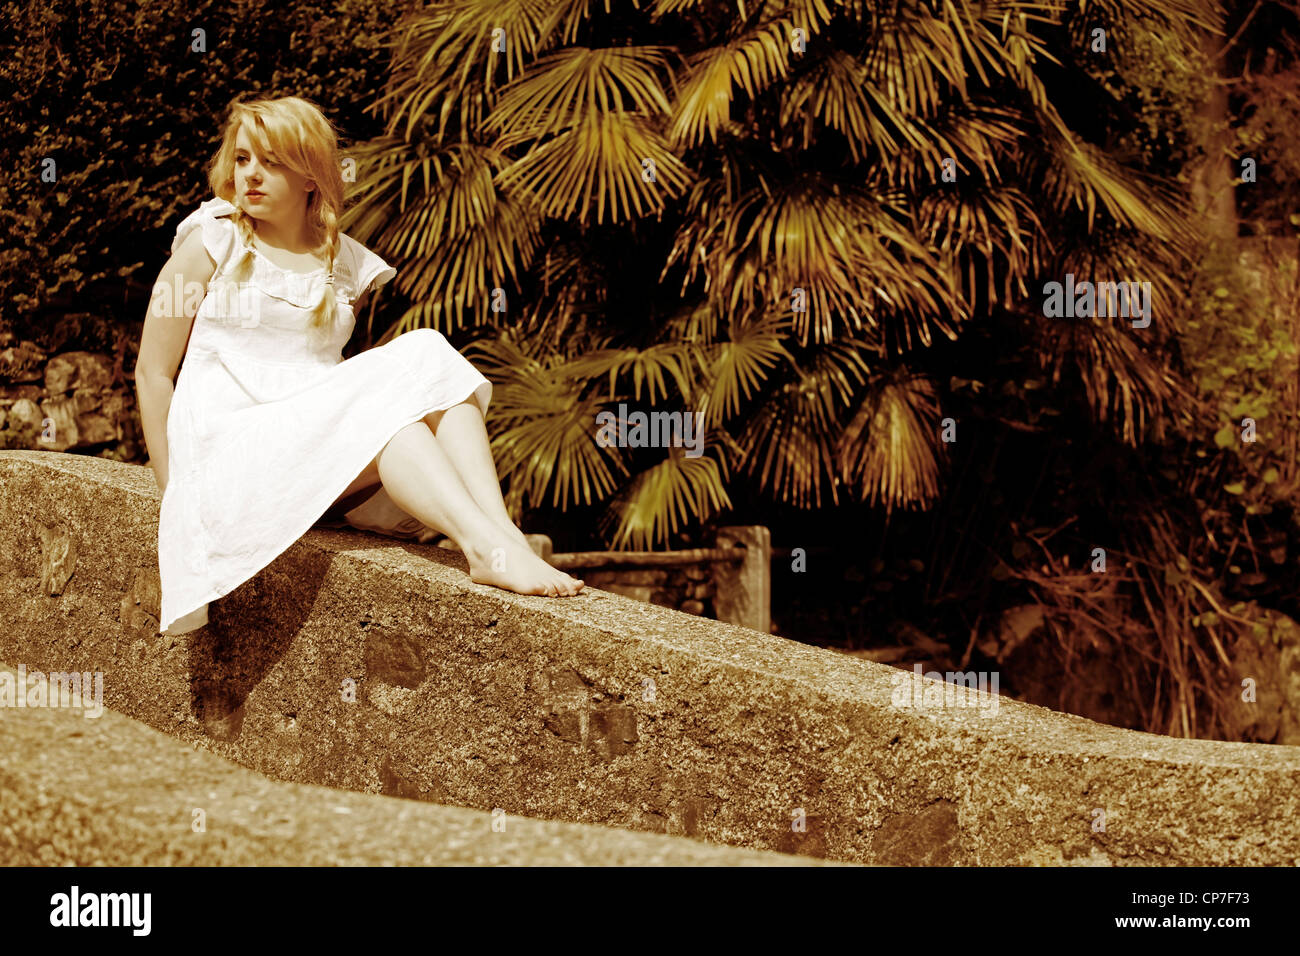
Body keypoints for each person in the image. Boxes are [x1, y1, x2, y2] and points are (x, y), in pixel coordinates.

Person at [135, 95, 583, 636]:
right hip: (231, 453)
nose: (250, 175)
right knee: (401, 396)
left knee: (423, 357)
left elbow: (331, 377)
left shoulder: (343, 261)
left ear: (310, 176)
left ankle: (501, 536)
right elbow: (153, 374)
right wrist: (176, 495)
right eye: (244, 158)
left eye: (272, 162)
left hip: (310, 452)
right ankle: (485, 545)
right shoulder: (212, 241)